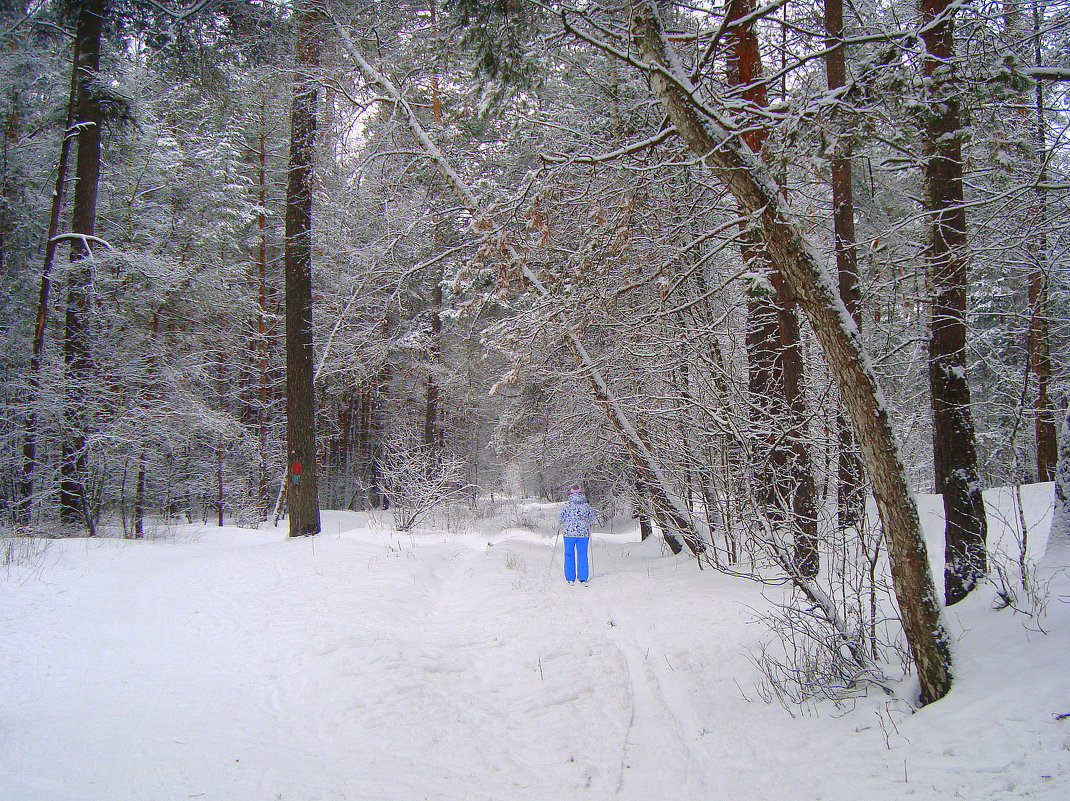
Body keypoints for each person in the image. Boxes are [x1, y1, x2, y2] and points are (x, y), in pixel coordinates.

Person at [558, 485, 598, 583]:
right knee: (582, 554)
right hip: (583, 534)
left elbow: (560, 519)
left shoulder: (566, 506)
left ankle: (570, 577)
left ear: (571, 494)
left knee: (569, 554)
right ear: (581, 494)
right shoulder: (586, 506)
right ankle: (583, 577)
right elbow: (592, 519)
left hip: (569, 534)